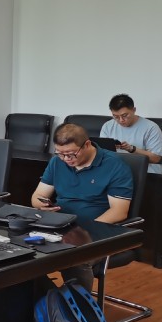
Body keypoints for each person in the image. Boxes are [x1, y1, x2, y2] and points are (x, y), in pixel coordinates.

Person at [31, 123, 133, 291]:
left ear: (87, 144)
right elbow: (37, 196)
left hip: (95, 232)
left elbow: (119, 212)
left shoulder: (114, 165)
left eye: (71, 154)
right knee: (24, 252)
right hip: (60, 227)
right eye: (60, 153)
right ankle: (46, 300)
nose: (66, 159)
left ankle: (79, 305)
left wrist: (85, 230)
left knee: (75, 259)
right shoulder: (57, 162)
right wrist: (42, 205)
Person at [100, 93, 162, 173]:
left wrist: (132, 149)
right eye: (116, 116)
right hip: (113, 170)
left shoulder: (151, 127)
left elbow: (156, 158)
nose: (121, 120)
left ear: (134, 110)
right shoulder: (108, 126)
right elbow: (101, 153)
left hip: (140, 172)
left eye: (124, 115)